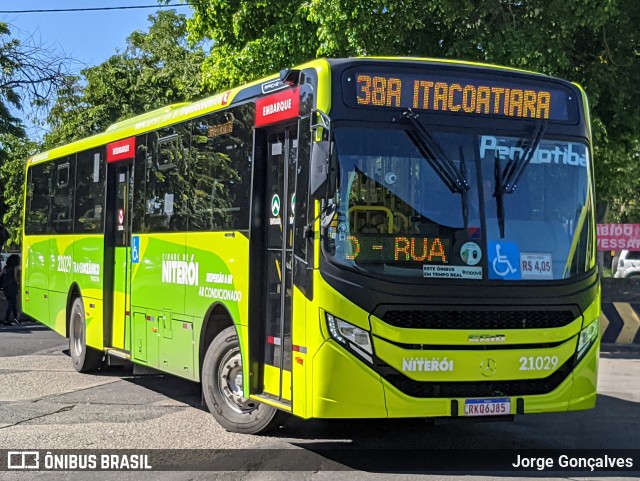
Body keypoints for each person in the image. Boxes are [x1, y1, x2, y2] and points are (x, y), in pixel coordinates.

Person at [2, 254, 21, 326]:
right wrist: (18, 283)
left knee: (13, 303)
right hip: (13, 287)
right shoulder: (15, 268)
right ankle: (6, 320)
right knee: (11, 304)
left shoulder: (5, 268)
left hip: (6, 287)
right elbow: (16, 278)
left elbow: (1, 275)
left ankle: (16, 318)